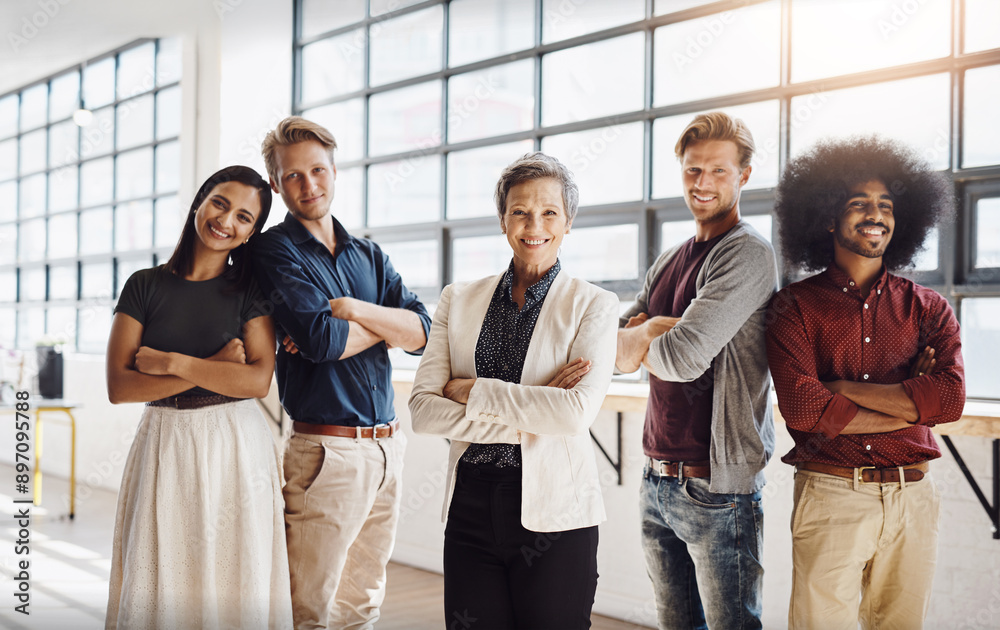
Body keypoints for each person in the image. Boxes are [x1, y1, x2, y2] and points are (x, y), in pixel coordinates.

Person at [408, 152, 618, 629]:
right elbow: (423, 410)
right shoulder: (456, 299)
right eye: (520, 210)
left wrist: (475, 391)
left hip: (556, 513)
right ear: (503, 219)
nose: (534, 224)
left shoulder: (595, 306)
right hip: (470, 506)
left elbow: (572, 415)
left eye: (549, 212)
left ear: (568, 222)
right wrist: (536, 402)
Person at [766, 135, 965, 629]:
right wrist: (909, 406)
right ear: (828, 217)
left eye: (886, 204)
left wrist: (844, 389)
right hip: (832, 495)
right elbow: (805, 412)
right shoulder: (793, 307)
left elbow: (951, 399)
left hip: (914, 497)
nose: (876, 214)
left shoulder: (929, 307)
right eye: (860, 204)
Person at [252, 116, 431, 629]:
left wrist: (352, 309)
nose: (308, 185)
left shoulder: (368, 254)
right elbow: (321, 341)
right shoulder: (273, 251)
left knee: (362, 605)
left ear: (335, 169)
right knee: (309, 609)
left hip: (388, 447)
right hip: (325, 454)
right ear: (276, 184)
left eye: (317, 170)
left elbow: (425, 333)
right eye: (292, 176)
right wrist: (388, 325)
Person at [105, 165, 292, 629]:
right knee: (159, 569)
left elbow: (256, 382)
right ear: (200, 202)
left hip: (234, 445)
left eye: (245, 218)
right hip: (163, 441)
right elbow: (120, 387)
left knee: (234, 571)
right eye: (221, 204)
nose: (226, 221)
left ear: (251, 233)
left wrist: (175, 364)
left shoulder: (250, 291)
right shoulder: (144, 285)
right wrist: (218, 366)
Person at [615, 112, 777, 629]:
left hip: (718, 488)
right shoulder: (669, 260)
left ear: (743, 176)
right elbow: (611, 347)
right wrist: (653, 330)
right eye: (692, 170)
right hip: (657, 479)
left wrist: (647, 333)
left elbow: (684, 359)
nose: (702, 183)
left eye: (717, 171)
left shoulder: (748, 254)